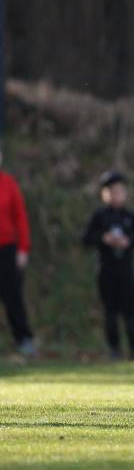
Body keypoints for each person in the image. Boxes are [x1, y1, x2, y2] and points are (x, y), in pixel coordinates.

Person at [82, 171, 134, 360]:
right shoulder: (100, 216)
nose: (116, 195)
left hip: (126, 270)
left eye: (119, 191)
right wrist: (104, 239)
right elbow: (86, 238)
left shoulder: (130, 216)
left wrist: (128, 242)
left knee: (132, 313)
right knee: (110, 312)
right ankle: (114, 349)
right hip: (106, 270)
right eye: (111, 191)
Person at [0, 147, 36, 357]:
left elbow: (20, 217)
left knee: (13, 296)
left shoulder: (9, 183)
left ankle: (24, 340)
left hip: (6, 249)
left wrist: (23, 248)